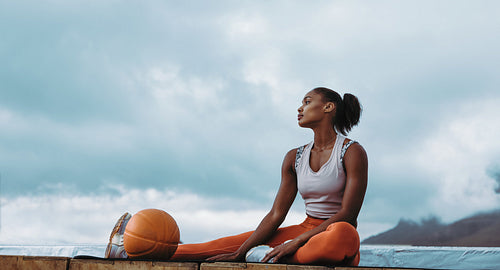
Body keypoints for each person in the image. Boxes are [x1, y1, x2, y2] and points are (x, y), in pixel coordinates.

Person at [105, 87, 368, 266]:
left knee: (342, 235)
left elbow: (348, 214)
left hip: (332, 232)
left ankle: (274, 254)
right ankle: (127, 250)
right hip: (304, 230)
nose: (300, 108)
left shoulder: (352, 152)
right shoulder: (294, 157)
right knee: (218, 246)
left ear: (328, 107)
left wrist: (295, 242)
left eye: (307, 101)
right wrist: (240, 252)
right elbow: (277, 214)